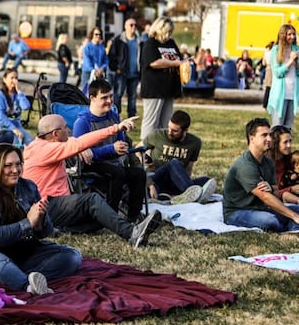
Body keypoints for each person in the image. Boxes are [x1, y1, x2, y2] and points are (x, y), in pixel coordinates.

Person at [0, 144, 82, 295]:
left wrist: (40, 219)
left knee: (72, 256)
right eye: (8, 166)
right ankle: (27, 286)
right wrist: (28, 223)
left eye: (18, 164)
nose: (15, 170)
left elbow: (45, 232)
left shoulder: (28, 186)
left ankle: (16, 276)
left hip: (19, 250)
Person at [23, 114, 161, 247]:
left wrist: (80, 147)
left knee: (102, 217)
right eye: (65, 127)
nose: (69, 130)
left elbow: (75, 142)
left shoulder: (41, 145)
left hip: (51, 207)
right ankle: (132, 233)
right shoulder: (45, 149)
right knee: (91, 200)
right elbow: (79, 142)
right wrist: (116, 128)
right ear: (55, 134)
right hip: (45, 206)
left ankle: (58, 229)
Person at [223, 117, 299, 236]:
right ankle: (291, 228)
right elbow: (265, 197)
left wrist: (270, 188)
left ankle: (295, 232)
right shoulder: (244, 165)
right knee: (270, 221)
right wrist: (294, 216)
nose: (269, 139)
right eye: (264, 135)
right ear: (252, 138)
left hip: (261, 207)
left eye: (270, 135)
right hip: (238, 211)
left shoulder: (268, 162)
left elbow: (275, 194)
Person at [72, 79, 147, 222]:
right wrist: (112, 149)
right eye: (104, 97)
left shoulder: (113, 116)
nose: (109, 101)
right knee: (117, 173)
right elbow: (85, 156)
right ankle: (111, 217)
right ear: (92, 98)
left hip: (114, 163)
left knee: (139, 173)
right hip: (92, 166)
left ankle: (133, 217)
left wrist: (122, 146)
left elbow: (120, 142)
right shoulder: (82, 123)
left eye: (111, 96)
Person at [140, 110, 216, 204]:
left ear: (185, 131)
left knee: (207, 181)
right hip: (157, 179)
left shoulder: (194, 143)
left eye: (175, 131)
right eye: (169, 127)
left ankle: (183, 195)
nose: (170, 132)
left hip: (176, 182)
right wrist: (149, 181)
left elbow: (188, 169)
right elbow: (137, 150)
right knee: (174, 162)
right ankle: (191, 195)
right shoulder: (157, 135)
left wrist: (183, 182)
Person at [138, 16, 182, 139]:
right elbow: (154, 62)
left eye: (170, 32)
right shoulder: (150, 43)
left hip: (169, 89)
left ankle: (161, 145)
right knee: (151, 121)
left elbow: (179, 58)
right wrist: (175, 63)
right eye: (167, 31)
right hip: (154, 89)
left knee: (166, 121)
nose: (168, 35)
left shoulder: (171, 43)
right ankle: (146, 145)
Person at [267, 24, 299, 129]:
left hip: (293, 95)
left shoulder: (298, 49)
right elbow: (277, 73)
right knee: (277, 127)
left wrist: (296, 62)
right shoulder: (276, 50)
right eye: (289, 34)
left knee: (288, 128)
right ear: (283, 35)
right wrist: (290, 61)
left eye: (294, 34)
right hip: (279, 95)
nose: (292, 37)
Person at [0, 69, 33, 146]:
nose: (14, 80)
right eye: (12, 78)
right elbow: (1, 115)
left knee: (31, 142)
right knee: (15, 142)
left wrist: (19, 92)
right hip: (1, 125)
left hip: (16, 125)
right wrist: (13, 129)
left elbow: (26, 106)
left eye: (16, 78)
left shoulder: (18, 95)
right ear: (4, 79)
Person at [107, 19, 140, 118]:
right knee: (118, 95)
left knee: (132, 97)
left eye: (135, 25)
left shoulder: (139, 41)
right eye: (131, 25)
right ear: (125, 26)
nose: (133, 27)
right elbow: (111, 56)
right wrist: (116, 68)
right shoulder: (118, 41)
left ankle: (131, 117)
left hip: (135, 74)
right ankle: (116, 116)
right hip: (122, 73)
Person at [80, 27, 107, 92]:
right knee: (86, 92)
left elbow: (106, 60)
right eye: (96, 34)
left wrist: (102, 68)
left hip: (99, 73)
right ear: (92, 35)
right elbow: (87, 61)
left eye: (100, 34)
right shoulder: (87, 47)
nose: (98, 36)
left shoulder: (102, 47)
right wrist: (93, 71)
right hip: (88, 72)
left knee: (98, 92)